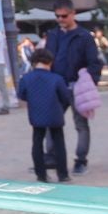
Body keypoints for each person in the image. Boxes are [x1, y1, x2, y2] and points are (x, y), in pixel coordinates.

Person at [43, 0, 103, 175]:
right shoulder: (53, 35)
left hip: (77, 86)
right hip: (56, 86)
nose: (60, 19)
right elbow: (46, 59)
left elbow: (94, 63)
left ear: (73, 13)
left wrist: (89, 82)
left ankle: (81, 160)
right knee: (50, 123)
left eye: (64, 16)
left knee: (81, 125)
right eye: (57, 16)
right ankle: (51, 157)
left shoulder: (84, 37)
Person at [16, 48, 72, 183]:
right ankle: (63, 174)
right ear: (50, 62)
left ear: (33, 63)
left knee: (37, 142)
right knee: (59, 143)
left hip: (36, 114)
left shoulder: (26, 78)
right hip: (55, 113)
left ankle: (41, 175)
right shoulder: (56, 78)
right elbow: (65, 96)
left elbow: (21, 94)